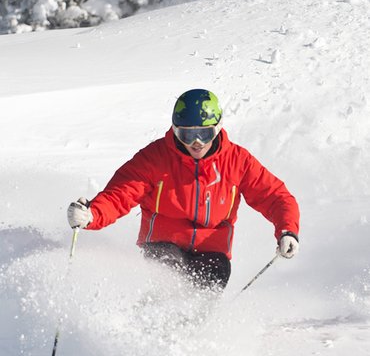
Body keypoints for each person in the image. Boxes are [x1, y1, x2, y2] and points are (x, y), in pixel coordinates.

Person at [67, 89, 299, 291]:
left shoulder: (237, 161)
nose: (196, 142)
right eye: (187, 134)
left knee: (211, 280)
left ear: (217, 129)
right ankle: (147, 326)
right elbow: (122, 193)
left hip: (213, 249)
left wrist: (287, 230)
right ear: (176, 131)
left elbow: (275, 196)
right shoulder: (156, 158)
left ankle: (189, 334)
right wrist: (93, 214)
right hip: (163, 243)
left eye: (204, 133)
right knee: (170, 278)